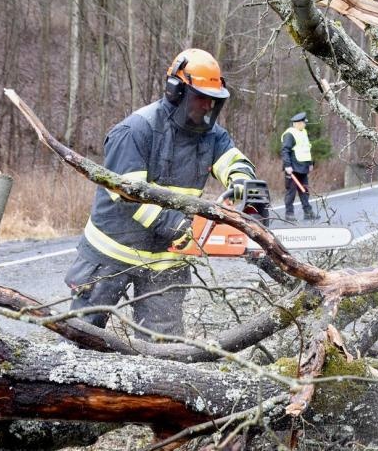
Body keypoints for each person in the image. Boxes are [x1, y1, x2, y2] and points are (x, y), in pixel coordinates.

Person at [64, 48, 258, 340]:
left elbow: (234, 161)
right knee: (82, 334)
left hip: (166, 261)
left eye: (212, 101)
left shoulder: (212, 135)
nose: (207, 107)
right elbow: (127, 193)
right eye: (200, 98)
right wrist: (176, 225)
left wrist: (242, 183)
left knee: (162, 348)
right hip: (112, 252)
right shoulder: (136, 130)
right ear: (176, 91)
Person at [281, 112, 319, 222]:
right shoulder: (290, 134)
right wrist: (287, 165)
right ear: (297, 123)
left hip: (303, 167)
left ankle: (308, 212)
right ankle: (289, 214)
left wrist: (310, 163)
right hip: (292, 168)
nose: (305, 125)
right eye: (303, 123)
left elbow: (306, 149)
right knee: (291, 192)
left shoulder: (303, 132)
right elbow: (285, 151)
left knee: (305, 190)